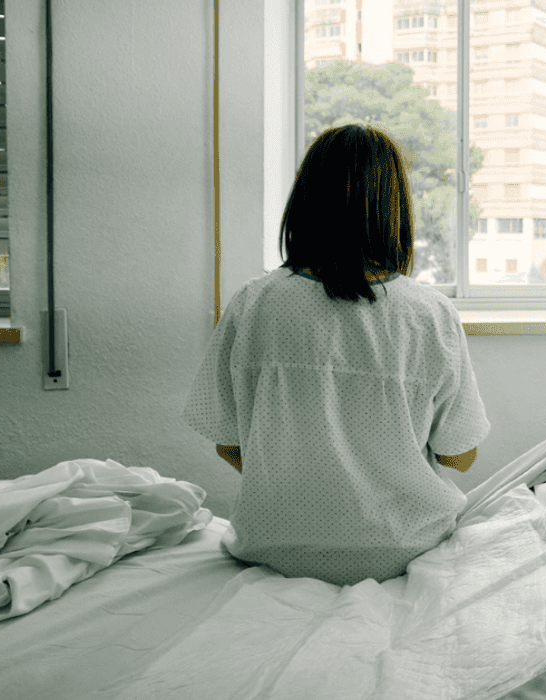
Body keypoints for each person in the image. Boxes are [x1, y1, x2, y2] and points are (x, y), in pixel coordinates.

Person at [181, 124, 489, 587]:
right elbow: (458, 456)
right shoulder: (430, 315)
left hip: (273, 547)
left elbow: (227, 440)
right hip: (403, 549)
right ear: (395, 210)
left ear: (304, 201)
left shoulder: (253, 303)